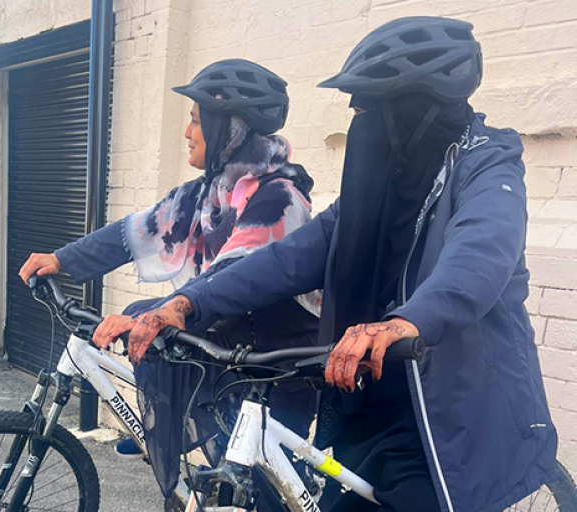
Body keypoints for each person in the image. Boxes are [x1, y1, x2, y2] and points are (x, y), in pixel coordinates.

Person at [119, 17, 558, 512]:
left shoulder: (486, 166)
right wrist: (188, 302)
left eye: (370, 108)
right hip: (368, 401)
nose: (360, 123)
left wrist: (406, 321)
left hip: (455, 415)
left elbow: (480, 254)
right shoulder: (374, 195)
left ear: (414, 109)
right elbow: (285, 261)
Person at [19, 59, 322, 501]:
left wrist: (156, 313)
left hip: (274, 375)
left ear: (230, 128)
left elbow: (231, 275)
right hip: (225, 362)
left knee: (265, 495)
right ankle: (171, 439)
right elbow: (133, 232)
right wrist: (61, 260)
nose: (187, 132)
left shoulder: (279, 199)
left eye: (197, 121)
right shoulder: (209, 192)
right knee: (221, 491)